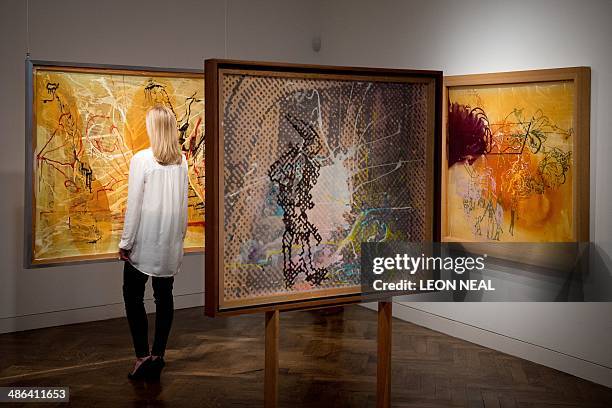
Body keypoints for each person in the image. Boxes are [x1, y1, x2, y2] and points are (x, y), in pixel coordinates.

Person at [118, 105, 189, 381]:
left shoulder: (142, 160)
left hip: (143, 244)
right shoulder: (181, 161)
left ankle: (142, 357)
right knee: (164, 298)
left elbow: (133, 207)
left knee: (133, 298)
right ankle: (158, 355)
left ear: (153, 128)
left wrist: (125, 242)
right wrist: (179, 240)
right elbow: (183, 207)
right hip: (169, 244)